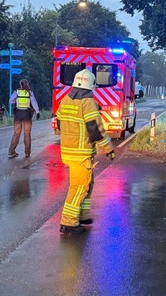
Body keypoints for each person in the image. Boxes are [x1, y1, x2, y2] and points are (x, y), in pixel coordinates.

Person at [56, 69, 115, 234]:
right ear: (91, 86)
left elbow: (59, 124)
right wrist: (108, 149)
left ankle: (83, 215)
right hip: (81, 153)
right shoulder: (88, 102)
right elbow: (95, 129)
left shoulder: (65, 100)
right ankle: (68, 222)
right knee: (79, 186)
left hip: (68, 150)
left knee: (87, 184)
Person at [8, 79, 41, 158]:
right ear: (27, 84)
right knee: (27, 134)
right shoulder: (30, 92)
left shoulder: (17, 92)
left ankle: (11, 151)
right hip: (27, 114)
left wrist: (16, 101)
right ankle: (27, 152)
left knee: (16, 134)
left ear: (20, 85)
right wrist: (37, 112)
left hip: (18, 114)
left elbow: (10, 101)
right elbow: (34, 103)